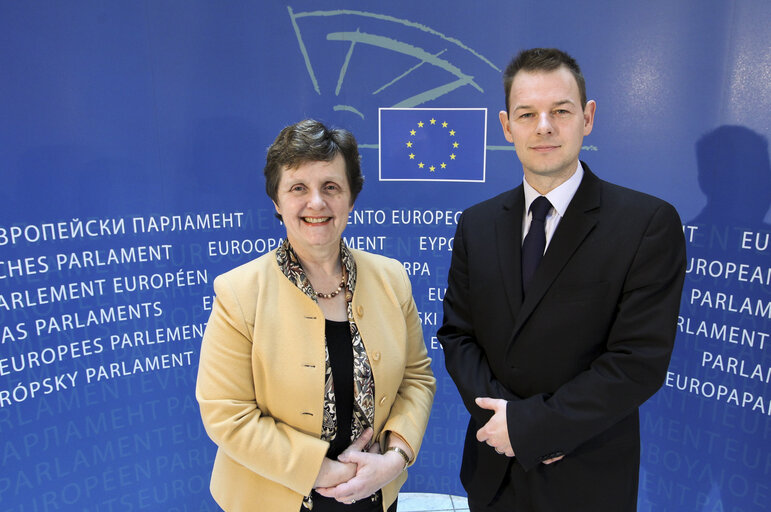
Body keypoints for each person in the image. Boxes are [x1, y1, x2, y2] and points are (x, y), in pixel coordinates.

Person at [437, 48, 686, 511]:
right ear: (506, 126)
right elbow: (458, 335)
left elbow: (638, 360)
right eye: (527, 113)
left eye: (561, 111)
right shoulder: (477, 223)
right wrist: (504, 425)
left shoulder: (646, 223)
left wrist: (534, 428)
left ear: (587, 118)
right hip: (492, 472)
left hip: (585, 477)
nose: (544, 126)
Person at [196, 119, 436, 512]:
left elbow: (417, 378)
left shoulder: (392, 278)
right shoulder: (238, 293)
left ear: (350, 198)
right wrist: (320, 471)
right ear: (277, 202)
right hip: (274, 498)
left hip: (374, 490)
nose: (317, 203)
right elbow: (227, 413)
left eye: (330, 187)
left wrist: (393, 460)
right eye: (298, 189)